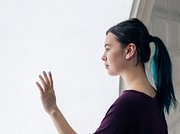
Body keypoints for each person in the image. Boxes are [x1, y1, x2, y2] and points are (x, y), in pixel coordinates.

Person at [36, 18, 177, 134]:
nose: (103, 57)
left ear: (129, 50)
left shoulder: (129, 103)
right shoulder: (154, 97)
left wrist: (53, 109)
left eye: (108, 48)